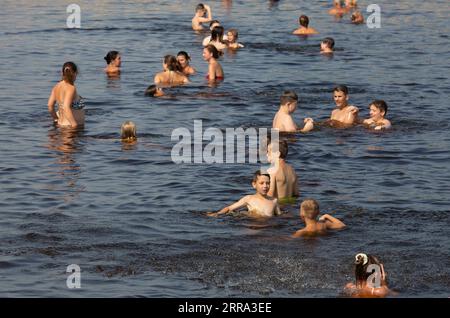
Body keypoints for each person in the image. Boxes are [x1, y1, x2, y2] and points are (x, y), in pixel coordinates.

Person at [207, 171, 281, 218]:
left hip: (268, 227)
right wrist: (218, 213)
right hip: (254, 225)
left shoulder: (273, 200)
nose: (265, 186)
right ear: (254, 184)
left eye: (267, 183)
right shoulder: (249, 199)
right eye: (261, 183)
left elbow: (279, 216)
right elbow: (230, 208)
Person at [47, 62, 85, 128]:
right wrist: (74, 125)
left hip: (61, 125)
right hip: (70, 127)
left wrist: (56, 119)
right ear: (75, 73)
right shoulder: (71, 88)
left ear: (62, 73)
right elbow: (66, 107)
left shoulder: (57, 86)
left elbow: (50, 105)